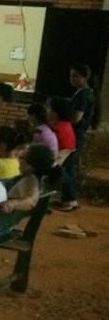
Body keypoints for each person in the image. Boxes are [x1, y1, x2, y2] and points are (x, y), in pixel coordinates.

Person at [60, 64, 96, 211]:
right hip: (77, 134)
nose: (72, 79)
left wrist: (63, 116)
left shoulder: (83, 95)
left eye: (75, 76)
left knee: (66, 167)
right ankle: (69, 199)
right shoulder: (83, 92)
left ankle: (69, 199)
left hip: (76, 135)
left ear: (85, 77)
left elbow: (76, 118)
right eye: (71, 75)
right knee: (69, 167)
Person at [1, 144, 60, 213]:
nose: (18, 159)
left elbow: (32, 201)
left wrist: (13, 204)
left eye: (21, 157)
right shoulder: (36, 178)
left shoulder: (31, 179)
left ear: (31, 166)